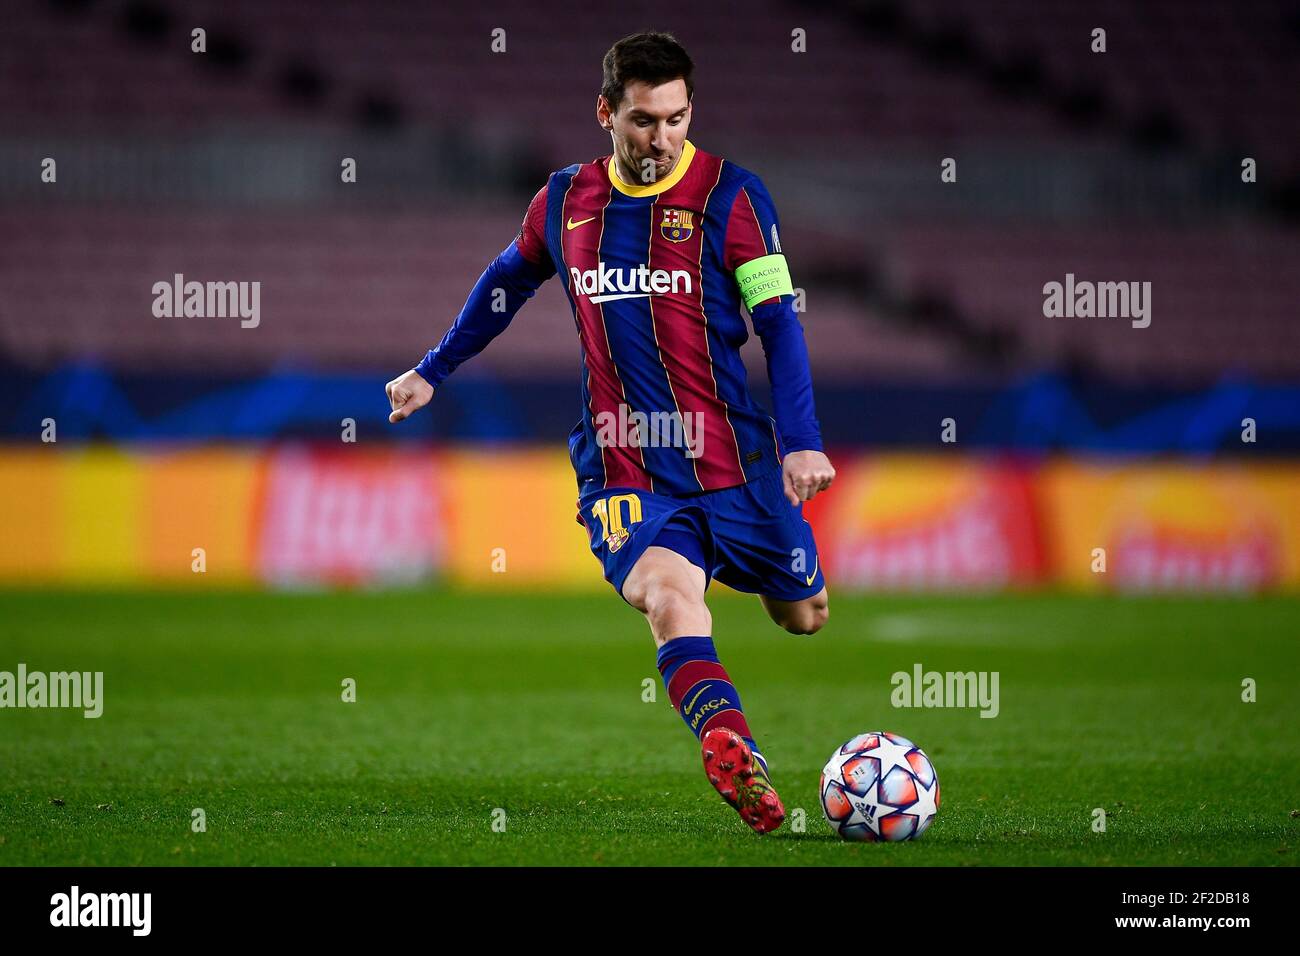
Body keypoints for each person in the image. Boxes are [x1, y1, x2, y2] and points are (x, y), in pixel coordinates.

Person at [386, 31, 834, 834]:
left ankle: (733, 562)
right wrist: (433, 369)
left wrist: (801, 438)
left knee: (805, 615)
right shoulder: (563, 201)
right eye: (640, 121)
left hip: (737, 460)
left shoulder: (735, 198)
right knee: (669, 598)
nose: (660, 139)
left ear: (690, 111)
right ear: (605, 113)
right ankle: (733, 744)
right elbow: (504, 285)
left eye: (674, 119)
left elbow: (780, 324)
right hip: (627, 466)